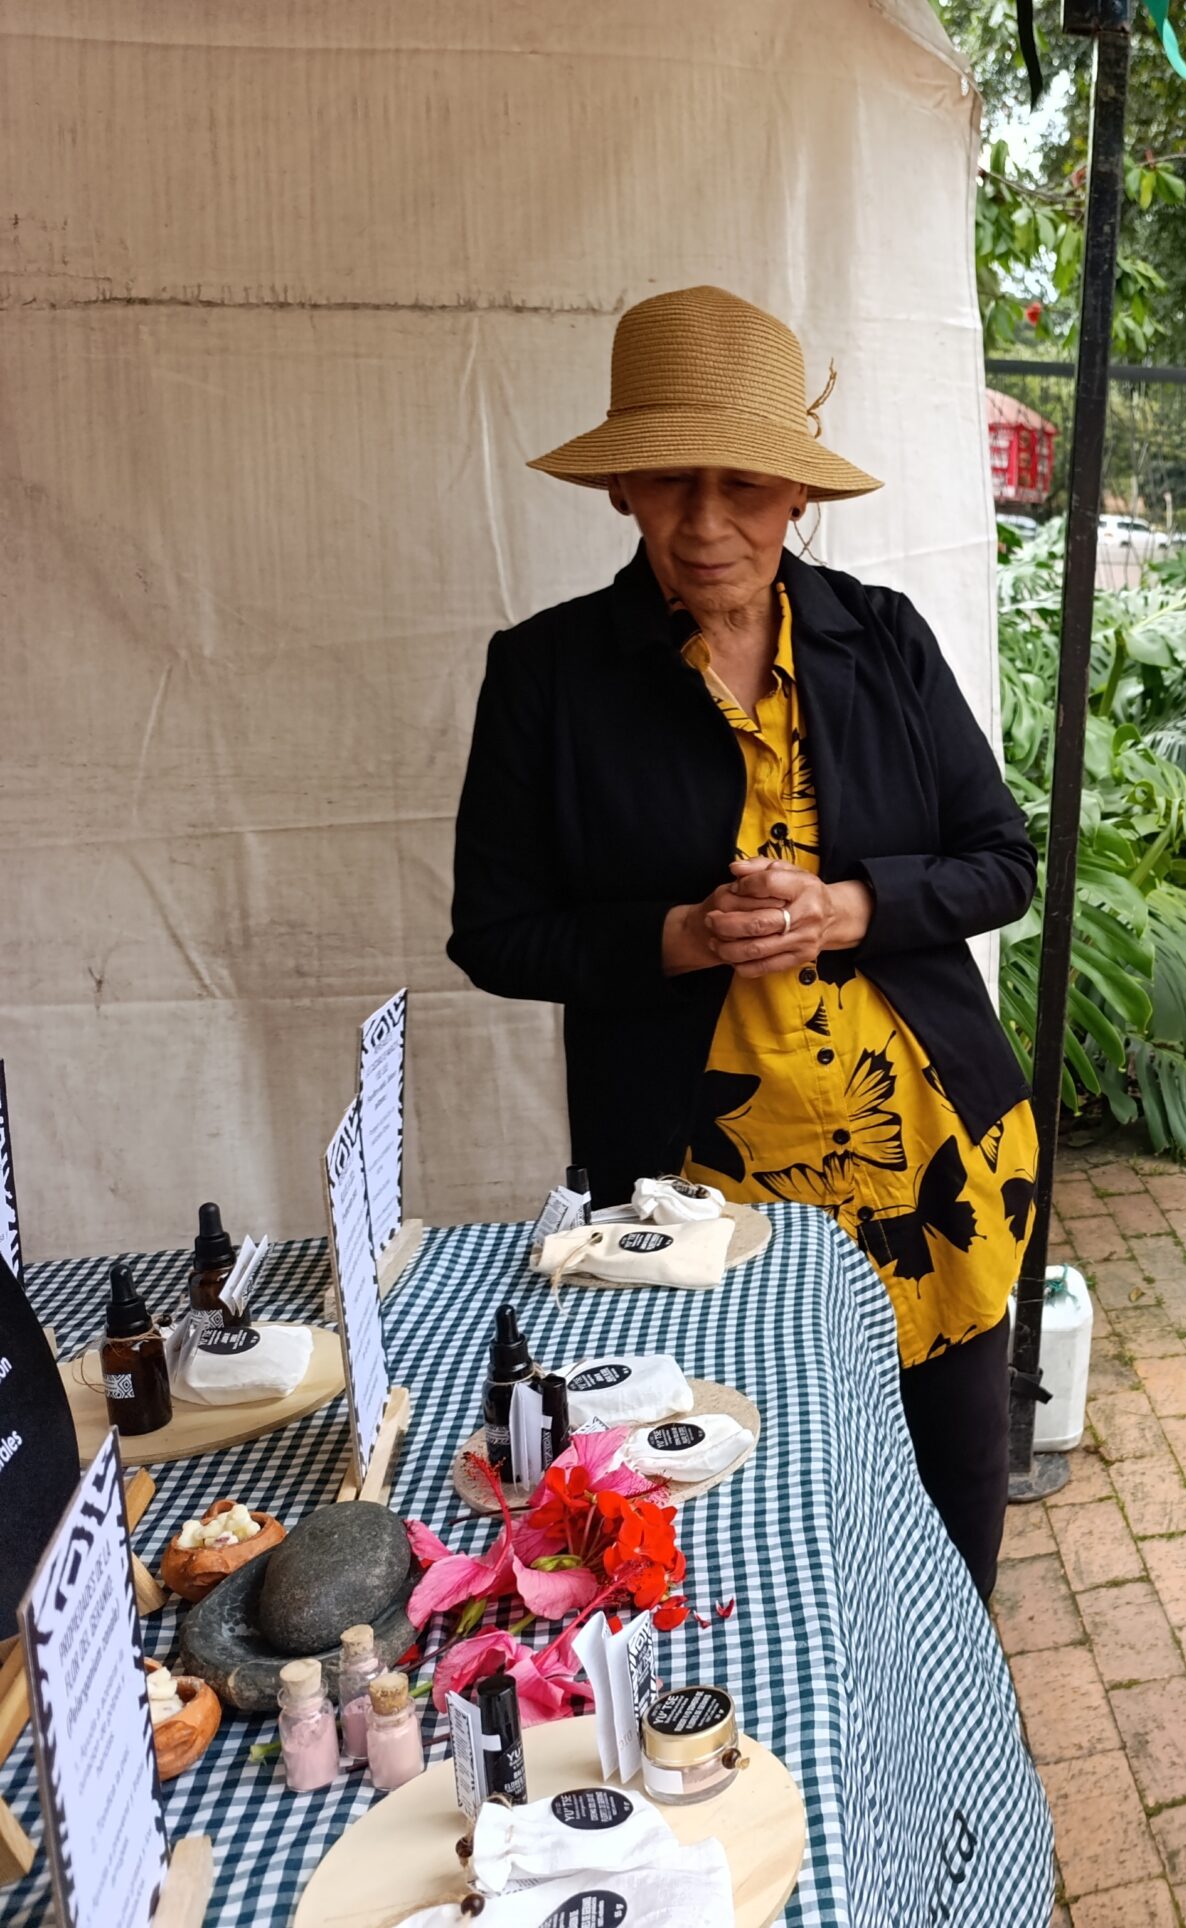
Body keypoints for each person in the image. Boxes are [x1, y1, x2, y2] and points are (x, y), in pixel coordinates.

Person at [446, 286, 1038, 1600]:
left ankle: (957, 1756)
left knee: (951, 1511)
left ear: (797, 494)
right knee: (739, 1517)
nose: (708, 524)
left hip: (927, 1160)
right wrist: (676, 936)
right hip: (691, 1191)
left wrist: (853, 908)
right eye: (671, 481)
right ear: (623, 490)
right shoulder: (550, 676)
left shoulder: (878, 642)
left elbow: (1001, 859)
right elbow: (493, 931)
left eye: (747, 485)